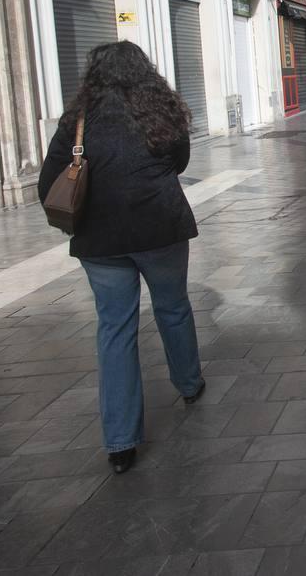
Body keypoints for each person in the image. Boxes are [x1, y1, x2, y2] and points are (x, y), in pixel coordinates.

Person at [37, 41, 204, 476]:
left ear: (95, 76)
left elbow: (48, 183)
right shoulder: (162, 111)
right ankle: (189, 384)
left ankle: (120, 443)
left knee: (115, 330)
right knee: (173, 309)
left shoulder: (77, 120)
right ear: (144, 71)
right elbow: (180, 162)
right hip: (160, 229)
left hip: (100, 240)